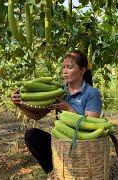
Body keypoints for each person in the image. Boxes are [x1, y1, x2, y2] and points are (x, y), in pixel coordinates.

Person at [11, 50, 102, 179]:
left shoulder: (92, 93)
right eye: (63, 67)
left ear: (82, 70)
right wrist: (19, 104)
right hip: (61, 142)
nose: (65, 71)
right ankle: (53, 172)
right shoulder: (60, 91)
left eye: (69, 67)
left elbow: (92, 125)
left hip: (82, 145)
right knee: (32, 136)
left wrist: (69, 109)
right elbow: (38, 116)